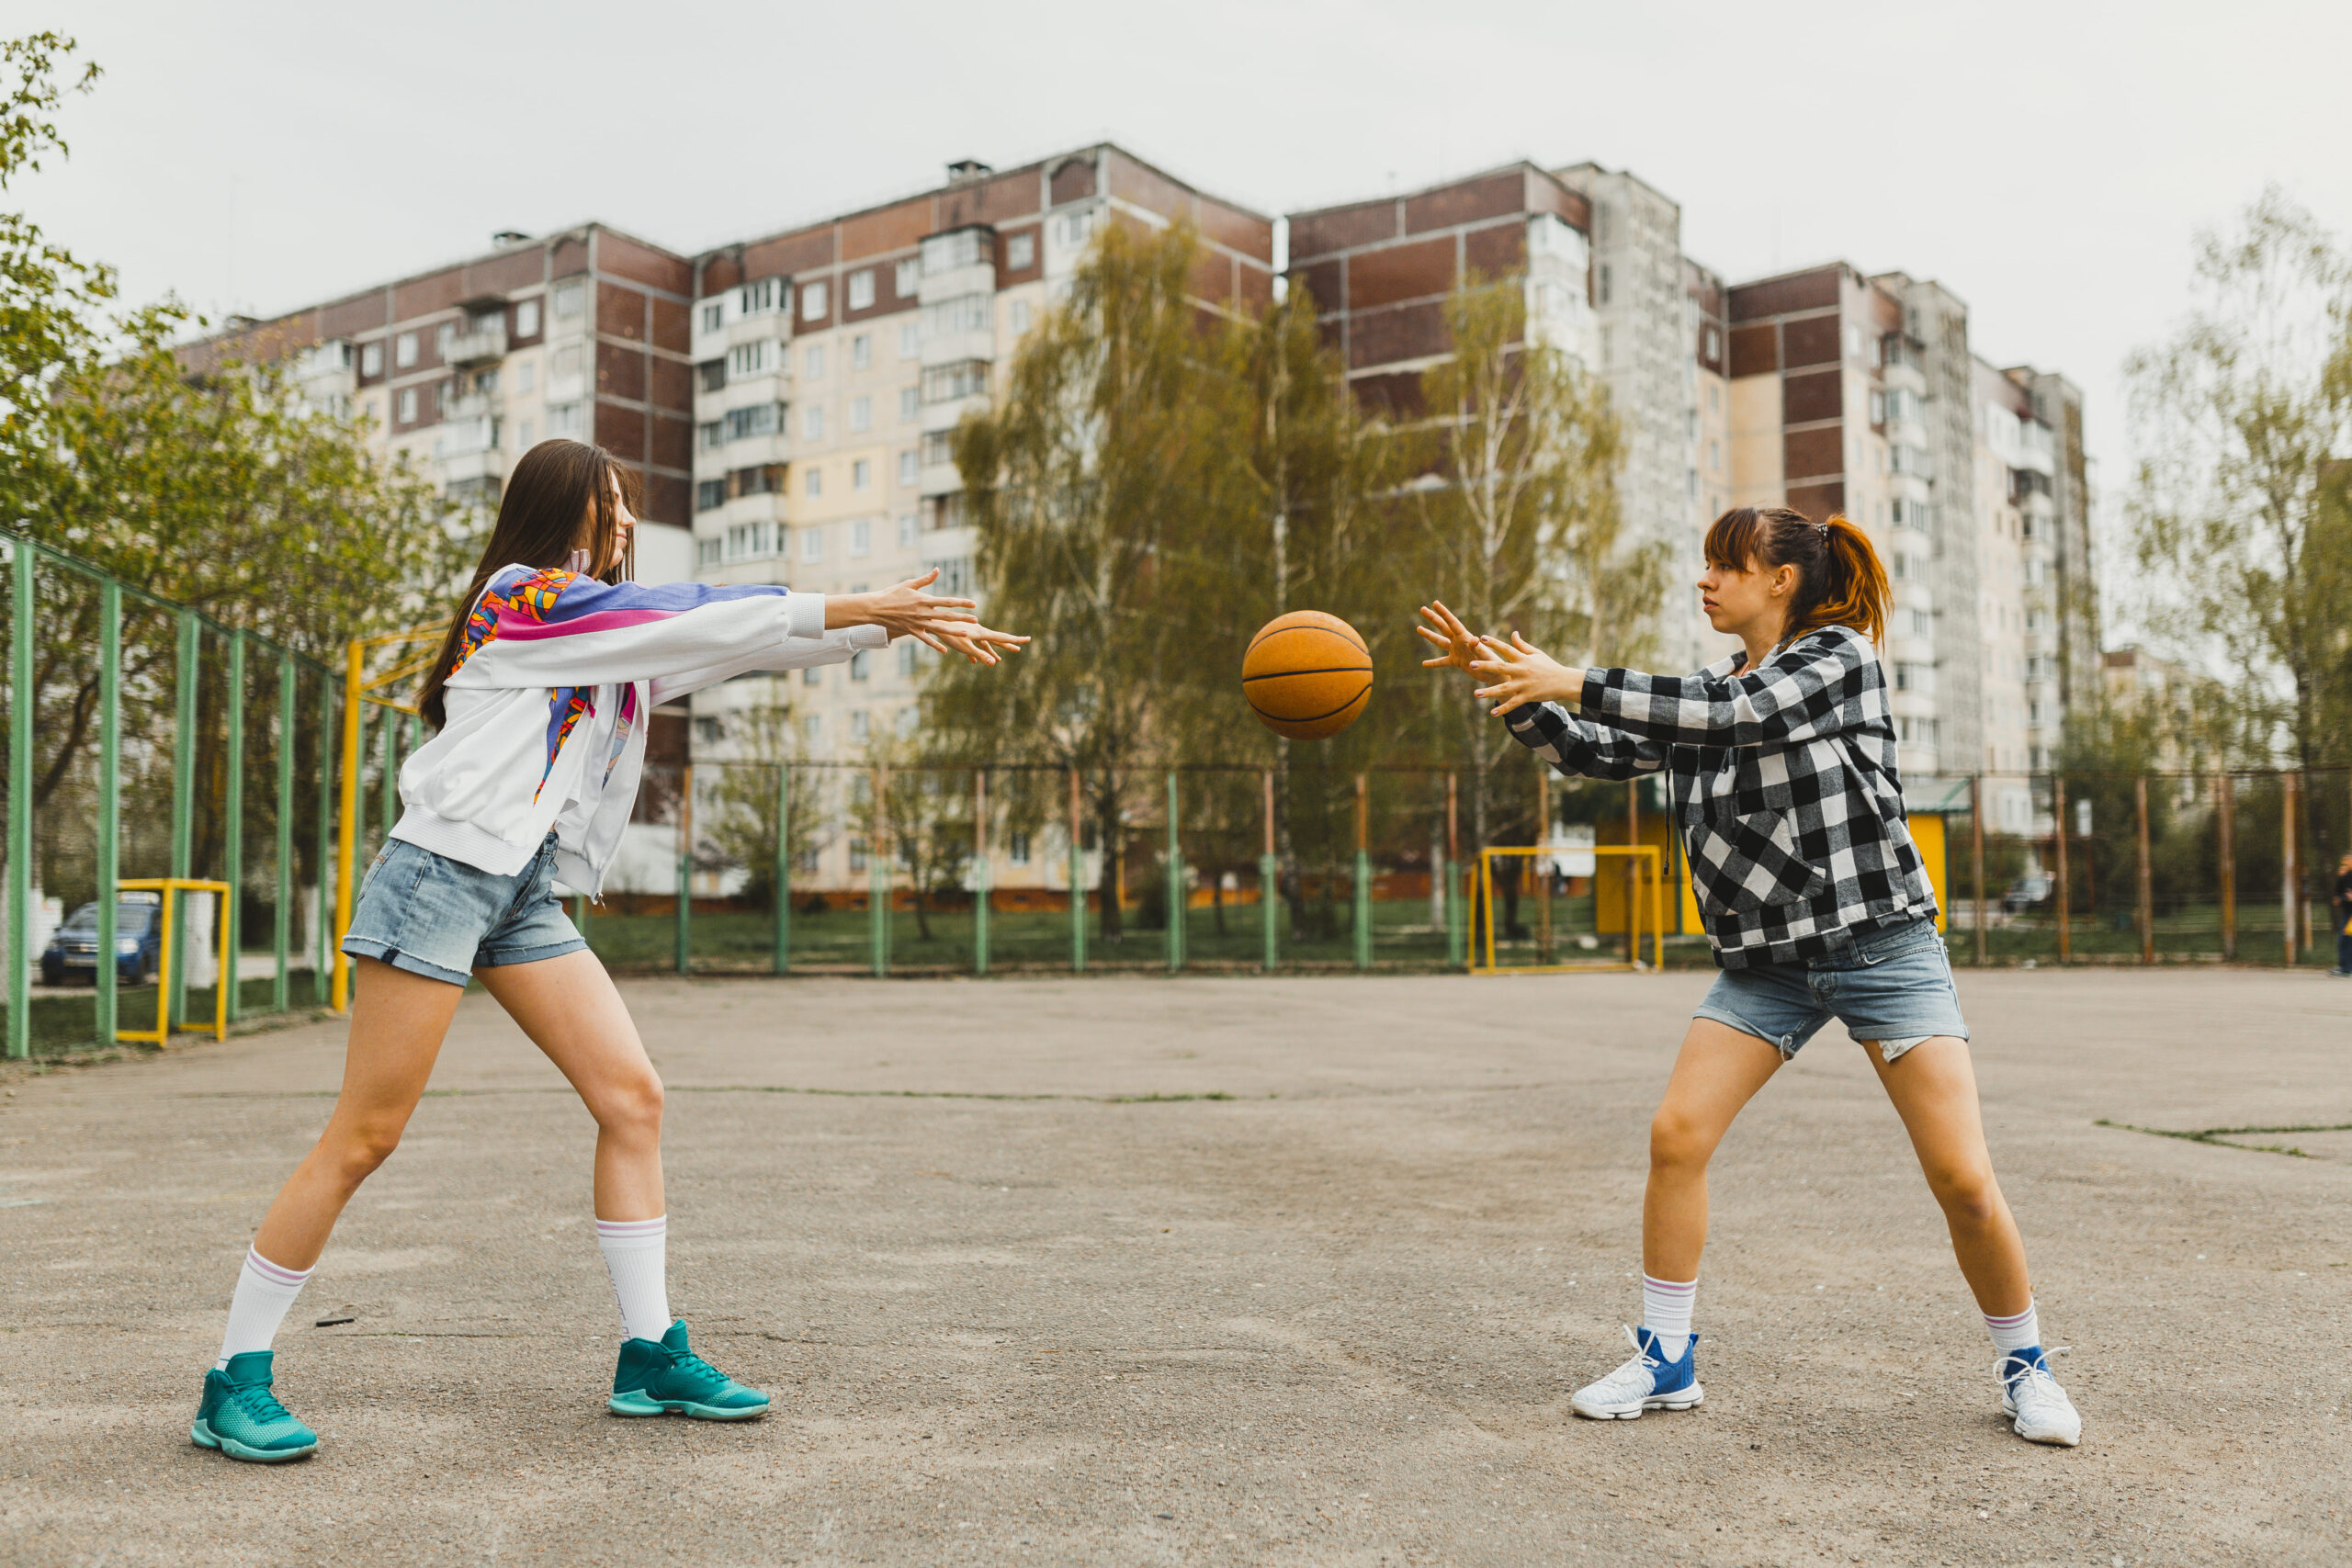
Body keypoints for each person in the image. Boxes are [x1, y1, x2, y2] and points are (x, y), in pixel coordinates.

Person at [191, 439, 1026, 1463]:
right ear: (563, 506)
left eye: (628, 500)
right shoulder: (521, 600)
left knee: (633, 1099)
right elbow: (687, 612)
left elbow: (721, 642)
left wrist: (880, 628)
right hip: (441, 875)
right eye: (610, 498)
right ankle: (233, 1378)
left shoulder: (607, 640)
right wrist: (850, 602)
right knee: (366, 1137)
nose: (624, 516)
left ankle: (649, 1353)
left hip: (522, 891)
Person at [1416, 505, 2082, 1449]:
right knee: (1676, 1135)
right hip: (1764, 965)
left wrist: (1572, 675)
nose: (1705, 580)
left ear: (1781, 581)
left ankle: (2027, 1369)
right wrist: (1521, 695)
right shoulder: (1703, 687)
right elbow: (1602, 751)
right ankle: (1666, 1361)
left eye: (1725, 565)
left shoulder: (1837, 659)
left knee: (1963, 1180)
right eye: (1704, 565)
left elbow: (1740, 714)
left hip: (1880, 948)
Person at [2332, 852, 2352, 976]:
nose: (2346, 864)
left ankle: (2347, 967)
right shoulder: (2345, 877)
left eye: (2348, 861)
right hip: (2347, 913)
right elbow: (2337, 896)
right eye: (2344, 862)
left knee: (2348, 939)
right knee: (2343, 940)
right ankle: (2344, 967)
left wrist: (2345, 897)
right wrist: (2340, 878)